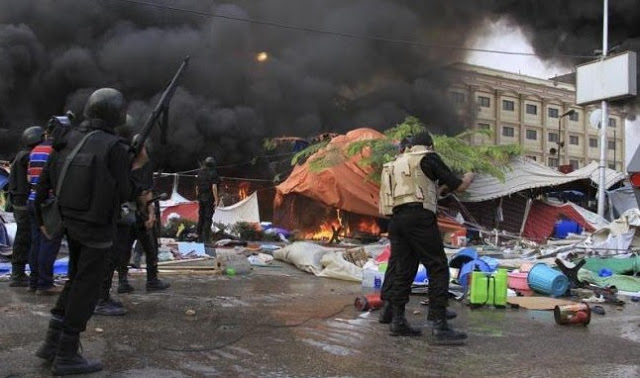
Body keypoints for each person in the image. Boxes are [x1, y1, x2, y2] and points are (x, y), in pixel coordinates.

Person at [33, 88, 147, 375]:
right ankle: (67, 353)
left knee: (75, 281)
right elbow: (125, 192)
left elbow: (45, 181)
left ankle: (51, 343)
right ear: (116, 115)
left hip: (69, 222)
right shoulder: (115, 147)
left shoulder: (67, 137)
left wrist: (42, 219)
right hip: (97, 227)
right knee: (87, 287)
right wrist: (138, 165)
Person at [377, 132, 474, 344]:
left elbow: (413, 189)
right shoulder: (428, 157)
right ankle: (439, 324)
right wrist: (469, 176)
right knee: (437, 266)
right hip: (419, 217)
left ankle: (398, 321)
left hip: (396, 219)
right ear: (430, 145)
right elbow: (459, 185)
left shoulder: (395, 163)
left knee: (404, 269)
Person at [27, 119, 64, 295]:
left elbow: (29, 179)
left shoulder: (35, 150)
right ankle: (45, 284)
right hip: (48, 203)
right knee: (49, 242)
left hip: (32, 200)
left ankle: (34, 282)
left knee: (36, 243)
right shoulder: (55, 152)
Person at [7, 126, 44, 287]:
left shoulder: (21, 155)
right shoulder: (27, 157)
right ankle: (18, 274)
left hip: (18, 200)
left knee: (25, 236)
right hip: (23, 202)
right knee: (24, 237)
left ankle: (19, 272)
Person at [195, 156, 220, 243]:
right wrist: (216, 199)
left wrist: (197, 196)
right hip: (209, 198)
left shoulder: (200, 172)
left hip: (201, 198)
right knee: (208, 218)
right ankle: (206, 239)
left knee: (201, 217)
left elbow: (197, 187)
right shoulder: (213, 173)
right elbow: (214, 187)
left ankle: (198, 236)